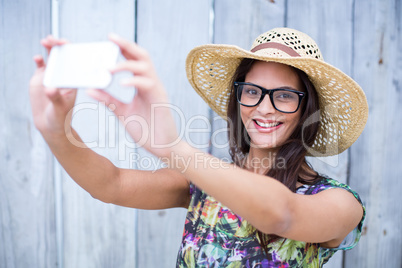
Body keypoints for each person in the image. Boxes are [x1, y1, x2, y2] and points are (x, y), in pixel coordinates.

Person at [29, 27, 368, 267]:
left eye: (284, 96)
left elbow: (282, 214)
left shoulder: (339, 202)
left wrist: (172, 147)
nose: (264, 108)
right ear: (238, 99)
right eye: (252, 91)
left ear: (307, 109)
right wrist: (55, 130)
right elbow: (110, 184)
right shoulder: (204, 182)